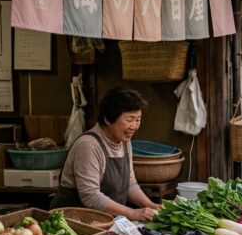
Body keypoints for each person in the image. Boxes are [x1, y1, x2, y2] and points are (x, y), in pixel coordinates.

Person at [50, 87, 160, 220]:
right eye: (130, 120)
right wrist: (133, 213)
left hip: (105, 221)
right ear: (108, 119)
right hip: (72, 223)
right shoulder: (88, 145)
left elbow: (129, 184)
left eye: (138, 119)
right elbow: (90, 196)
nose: (134, 126)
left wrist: (150, 205)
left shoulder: (124, 142)